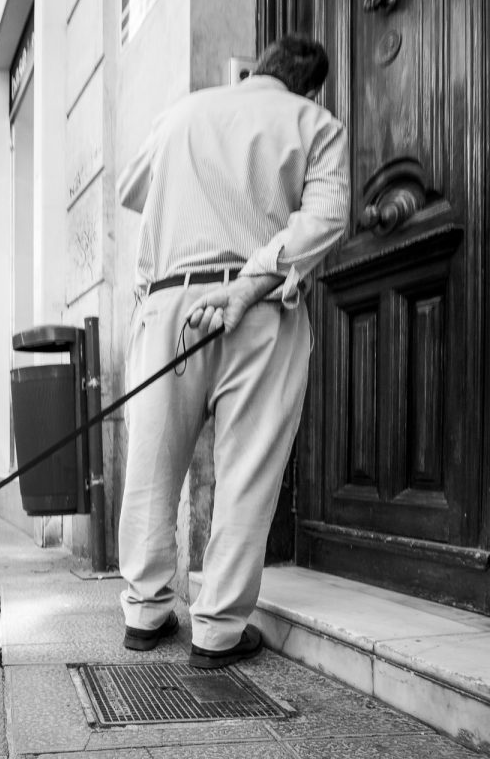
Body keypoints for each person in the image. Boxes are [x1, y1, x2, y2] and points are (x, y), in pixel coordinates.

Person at [116, 35, 350, 668]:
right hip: (261, 305)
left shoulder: (184, 112)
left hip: (170, 305)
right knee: (247, 470)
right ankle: (217, 629)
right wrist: (252, 277)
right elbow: (328, 217)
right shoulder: (316, 123)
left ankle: (145, 611)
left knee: (152, 464)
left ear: (257, 69)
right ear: (309, 86)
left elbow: (133, 188)